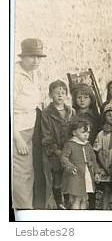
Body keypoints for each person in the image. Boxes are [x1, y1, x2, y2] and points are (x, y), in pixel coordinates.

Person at [13, 38, 46, 209]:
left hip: (32, 126)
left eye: (39, 57)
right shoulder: (14, 76)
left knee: (32, 171)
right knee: (21, 173)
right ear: (23, 56)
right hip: (18, 129)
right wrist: (17, 138)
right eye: (31, 56)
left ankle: (32, 207)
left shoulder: (34, 73)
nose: (36, 61)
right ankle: (22, 211)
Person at [41, 80, 77, 209]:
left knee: (68, 176)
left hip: (69, 151)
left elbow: (75, 130)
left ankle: (68, 201)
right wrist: (56, 151)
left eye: (63, 92)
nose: (60, 95)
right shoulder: (46, 113)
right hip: (55, 152)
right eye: (57, 93)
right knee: (57, 177)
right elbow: (47, 136)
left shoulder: (71, 111)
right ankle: (59, 202)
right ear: (50, 95)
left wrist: (72, 149)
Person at [60, 119, 99, 210]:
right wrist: (70, 167)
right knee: (76, 198)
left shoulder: (88, 145)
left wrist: (96, 172)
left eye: (88, 132)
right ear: (74, 132)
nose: (86, 135)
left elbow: (93, 159)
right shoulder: (70, 144)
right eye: (83, 132)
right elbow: (64, 158)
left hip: (87, 174)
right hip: (76, 175)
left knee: (84, 198)